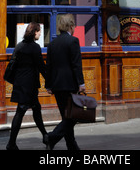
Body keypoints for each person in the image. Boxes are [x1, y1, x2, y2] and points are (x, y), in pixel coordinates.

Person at [45, 14, 85, 151]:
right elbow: (76, 65)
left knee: (66, 115)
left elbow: (48, 66)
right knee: (72, 117)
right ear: (71, 26)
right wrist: (81, 83)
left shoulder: (52, 43)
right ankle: (51, 137)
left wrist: (48, 85)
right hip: (70, 85)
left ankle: (71, 145)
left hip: (56, 86)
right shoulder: (73, 41)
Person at [6, 22, 48, 150]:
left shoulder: (19, 46)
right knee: (24, 111)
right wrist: (51, 80)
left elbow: (12, 64)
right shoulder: (35, 48)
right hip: (29, 86)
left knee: (30, 110)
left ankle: (45, 136)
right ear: (34, 32)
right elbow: (41, 67)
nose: (40, 33)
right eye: (39, 31)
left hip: (20, 84)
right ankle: (12, 143)